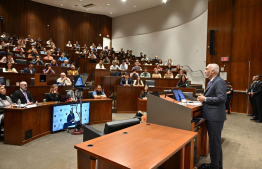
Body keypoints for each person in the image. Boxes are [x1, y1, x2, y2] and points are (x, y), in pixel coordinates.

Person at [197, 64, 227, 169]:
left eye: (206, 69)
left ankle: (215, 166)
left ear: (212, 71)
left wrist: (205, 99)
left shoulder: (219, 82)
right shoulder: (213, 81)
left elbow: (222, 98)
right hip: (212, 116)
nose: (205, 71)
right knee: (215, 142)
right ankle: (217, 165)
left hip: (215, 117)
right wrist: (203, 98)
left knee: (215, 142)